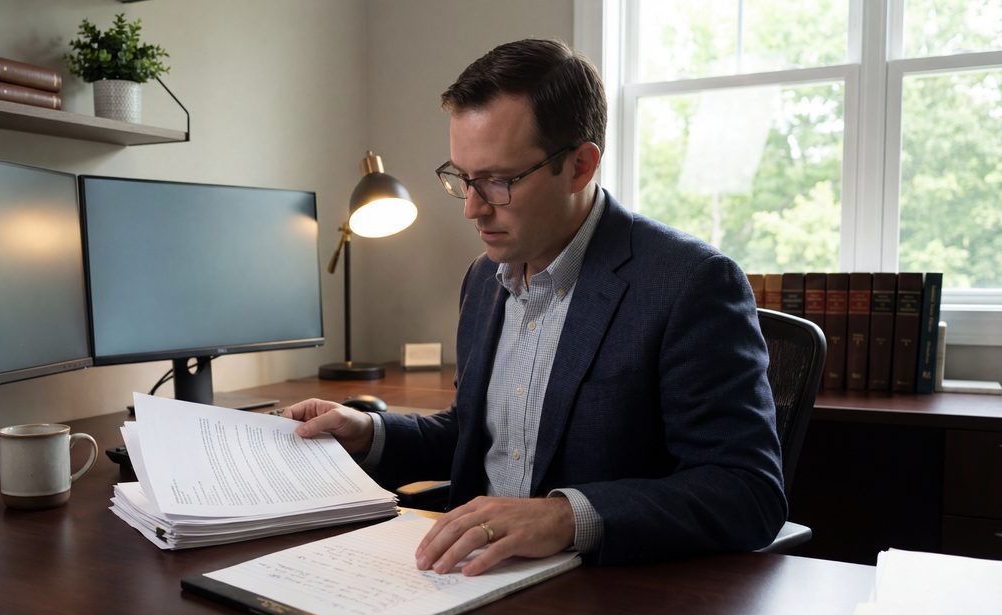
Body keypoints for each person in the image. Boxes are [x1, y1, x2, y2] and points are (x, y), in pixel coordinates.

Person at [285, 38, 785, 575]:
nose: (472, 209)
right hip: (466, 578)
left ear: (579, 166)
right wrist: (370, 431)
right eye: (463, 178)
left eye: (499, 181)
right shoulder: (483, 279)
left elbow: (745, 491)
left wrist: (565, 517)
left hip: (603, 596)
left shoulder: (690, 283)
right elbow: (474, 434)